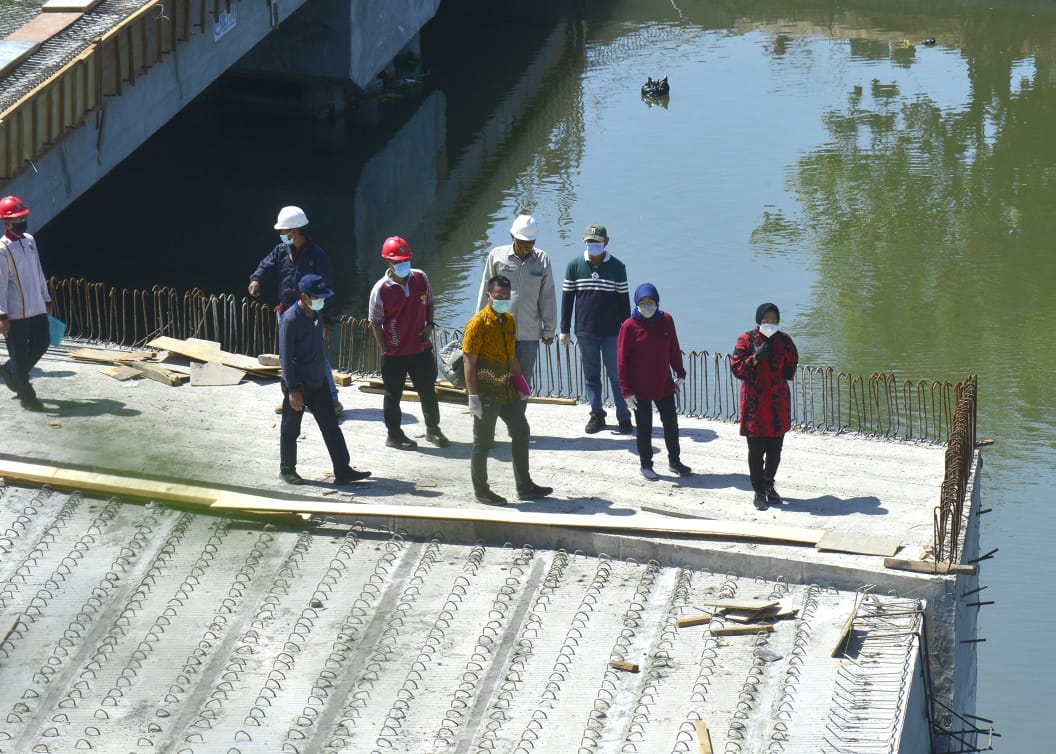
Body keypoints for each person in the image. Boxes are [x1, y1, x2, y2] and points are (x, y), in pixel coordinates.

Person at [463, 275, 553, 505]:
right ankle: (481, 491)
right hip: (485, 392)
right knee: (482, 442)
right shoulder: (477, 324)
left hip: (506, 389)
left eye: (506, 296)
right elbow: (469, 362)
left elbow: (511, 355)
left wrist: (521, 383)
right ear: (488, 296)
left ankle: (524, 486)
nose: (502, 300)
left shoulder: (510, 321)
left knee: (521, 431)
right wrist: (473, 396)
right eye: (498, 296)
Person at [278, 274, 370, 485]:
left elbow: (319, 352)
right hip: (298, 385)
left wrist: (328, 385)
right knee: (291, 428)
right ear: (304, 296)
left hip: (318, 382)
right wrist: (292, 390)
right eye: (317, 297)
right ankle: (287, 469)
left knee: (331, 426)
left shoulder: (317, 314)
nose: (322, 301)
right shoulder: (290, 319)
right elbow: (285, 357)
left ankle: (343, 469)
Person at [249, 205, 341, 414]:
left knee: (317, 356)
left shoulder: (318, 256)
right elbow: (266, 265)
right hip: (287, 312)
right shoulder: (281, 251)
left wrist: (326, 321)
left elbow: (327, 289)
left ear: (294, 231)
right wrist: (256, 278)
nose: (281, 235)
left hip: (310, 313)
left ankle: (333, 399)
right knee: (287, 355)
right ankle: (289, 398)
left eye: (283, 231)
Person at [368, 236, 450, 450]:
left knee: (428, 391)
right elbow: (375, 323)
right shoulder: (380, 290)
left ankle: (433, 429)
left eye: (405, 260)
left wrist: (429, 325)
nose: (403, 265)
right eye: (398, 262)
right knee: (393, 395)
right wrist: (386, 350)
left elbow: (430, 302)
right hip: (395, 354)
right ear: (388, 263)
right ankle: (394, 435)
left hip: (421, 349)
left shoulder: (420, 278)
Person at [559, 223, 632, 434]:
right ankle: (597, 414)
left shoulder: (618, 267)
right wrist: (564, 329)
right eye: (589, 242)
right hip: (585, 332)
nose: (593, 246)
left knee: (617, 375)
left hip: (612, 333)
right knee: (591, 375)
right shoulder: (574, 266)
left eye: (597, 242)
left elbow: (623, 303)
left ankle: (624, 416)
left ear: (606, 242)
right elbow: (567, 300)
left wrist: (628, 332)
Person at [617, 283, 692, 480]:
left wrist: (680, 374)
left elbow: (674, 349)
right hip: (639, 387)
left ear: (657, 302)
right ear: (637, 303)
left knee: (671, 424)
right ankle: (646, 464)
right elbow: (622, 361)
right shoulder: (629, 326)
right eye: (643, 302)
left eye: (651, 302)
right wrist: (626, 392)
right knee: (644, 427)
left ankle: (674, 461)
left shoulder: (666, 320)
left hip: (664, 383)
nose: (647, 306)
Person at [476, 214, 557, 392]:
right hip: (498, 330)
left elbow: (548, 296)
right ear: (512, 237)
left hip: (529, 333)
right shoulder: (497, 256)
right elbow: (485, 291)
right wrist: (479, 325)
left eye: (531, 243)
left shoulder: (543, 260)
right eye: (523, 243)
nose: (527, 248)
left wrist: (549, 328)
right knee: (496, 377)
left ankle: (517, 418)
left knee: (523, 381)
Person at [730, 303, 799, 511]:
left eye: (774, 320)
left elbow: (791, 362)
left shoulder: (784, 340)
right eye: (766, 320)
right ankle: (759, 491)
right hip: (754, 406)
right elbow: (737, 369)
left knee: (775, 451)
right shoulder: (746, 339)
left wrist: (778, 379)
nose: (770, 324)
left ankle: (769, 483)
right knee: (755, 452)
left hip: (777, 405)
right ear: (759, 320)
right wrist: (755, 359)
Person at [0, 196, 51, 412]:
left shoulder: (30, 239)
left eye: (23, 217)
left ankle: (10, 370)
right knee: (20, 357)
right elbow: (0, 284)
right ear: (6, 222)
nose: (22, 221)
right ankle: (28, 398)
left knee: (42, 343)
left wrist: (46, 297)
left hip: (36, 306)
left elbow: (38, 271)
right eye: (17, 218)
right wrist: (1, 316)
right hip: (15, 313)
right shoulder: (2, 249)